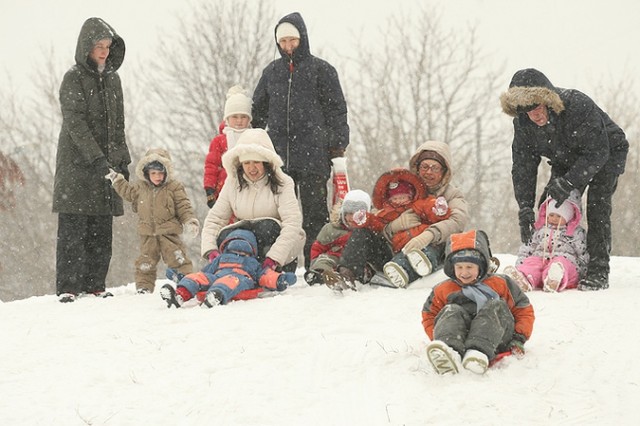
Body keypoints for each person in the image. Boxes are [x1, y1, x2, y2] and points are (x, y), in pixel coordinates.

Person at [500, 68, 629, 291]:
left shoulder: (577, 105)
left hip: (606, 152)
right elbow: (523, 166)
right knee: (549, 205)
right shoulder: (523, 124)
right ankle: (546, 262)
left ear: (548, 101)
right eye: (527, 111)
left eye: (537, 108)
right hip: (565, 156)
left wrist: (569, 182)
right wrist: (524, 207)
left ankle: (598, 270)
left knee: (597, 206)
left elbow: (598, 152)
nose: (534, 116)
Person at [252, 12, 349, 269]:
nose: (287, 46)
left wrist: (337, 145)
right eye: (282, 41)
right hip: (278, 158)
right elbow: (257, 111)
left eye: (292, 40)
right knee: (282, 215)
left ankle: (317, 263)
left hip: (314, 157)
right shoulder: (271, 72)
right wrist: (251, 142)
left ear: (302, 39)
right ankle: (284, 264)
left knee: (315, 215)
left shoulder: (322, 70)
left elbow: (337, 110)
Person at [53, 17, 131, 303]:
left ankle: (95, 283)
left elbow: (118, 125)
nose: (103, 51)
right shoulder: (73, 78)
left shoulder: (114, 79)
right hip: (76, 168)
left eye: (107, 46)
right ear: (86, 47)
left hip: (106, 167)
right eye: (98, 46)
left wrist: (123, 160)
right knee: (74, 227)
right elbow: (75, 124)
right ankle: (69, 287)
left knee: (101, 226)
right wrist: (96, 157)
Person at [327, 141, 468, 290]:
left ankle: (405, 272)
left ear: (444, 172)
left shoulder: (452, 195)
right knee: (363, 232)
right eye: (425, 167)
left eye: (435, 168)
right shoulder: (403, 187)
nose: (429, 172)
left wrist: (429, 234)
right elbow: (379, 215)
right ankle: (347, 275)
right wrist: (392, 226)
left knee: (438, 245)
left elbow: (457, 221)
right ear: (417, 168)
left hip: (428, 250)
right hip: (393, 246)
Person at [422, 230, 535, 375]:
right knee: (451, 310)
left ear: (481, 265)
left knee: (496, 306)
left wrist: (519, 337)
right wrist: (438, 335)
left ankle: (478, 352)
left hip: (496, 338)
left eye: (469, 267)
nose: (464, 272)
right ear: (452, 267)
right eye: (459, 267)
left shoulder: (500, 283)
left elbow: (523, 309)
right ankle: (449, 351)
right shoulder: (443, 289)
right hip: (460, 338)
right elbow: (429, 315)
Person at [200, 128, 305, 274]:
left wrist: (274, 258)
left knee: (266, 228)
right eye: (247, 163)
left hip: (276, 243)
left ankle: (268, 270)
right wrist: (211, 250)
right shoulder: (233, 183)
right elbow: (215, 219)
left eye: (256, 162)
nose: (251, 168)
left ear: (266, 162)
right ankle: (229, 268)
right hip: (246, 244)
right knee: (229, 235)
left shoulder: (283, 183)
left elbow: (292, 223)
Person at [106, 148, 200, 294]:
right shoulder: (140, 187)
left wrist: (190, 221)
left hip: (169, 233)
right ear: (146, 173)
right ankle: (144, 287)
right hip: (147, 233)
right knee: (145, 262)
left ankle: (187, 283)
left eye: (161, 173)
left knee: (178, 258)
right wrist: (117, 180)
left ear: (167, 172)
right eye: (153, 173)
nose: (157, 176)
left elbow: (183, 206)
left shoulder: (174, 187)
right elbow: (128, 193)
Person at [346, 168, 451, 289]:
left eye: (402, 198)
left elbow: (431, 209)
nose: (399, 201)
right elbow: (377, 223)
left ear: (411, 195)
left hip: (423, 241)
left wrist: (439, 209)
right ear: (389, 200)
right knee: (401, 260)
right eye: (395, 199)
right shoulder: (387, 212)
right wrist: (366, 219)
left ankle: (425, 263)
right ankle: (399, 273)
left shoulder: (419, 204)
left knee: (429, 252)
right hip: (401, 248)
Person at [160, 229, 296, 309]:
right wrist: (186, 278)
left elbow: (264, 275)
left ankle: (216, 295)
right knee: (199, 278)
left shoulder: (252, 262)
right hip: (217, 276)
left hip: (239, 278)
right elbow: (205, 273)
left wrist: (279, 280)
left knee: (230, 280)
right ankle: (180, 294)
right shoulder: (221, 258)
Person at [504, 190, 588, 293]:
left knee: (560, 264)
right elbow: (529, 247)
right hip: (541, 260)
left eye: (559, 216)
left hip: (566, 262)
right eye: (551, 215)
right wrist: (521, 264)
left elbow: (583, 253)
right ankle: (523, 278)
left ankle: (554, 279)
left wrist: (583, 272)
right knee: (533, 263)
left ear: (569, 216)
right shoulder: (540, 229)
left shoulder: (575, 233)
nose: (554, 219)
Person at [304, 189, 371, 286]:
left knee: (361, 266)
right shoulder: (332, 228)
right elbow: (318, 247)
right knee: (324, 260)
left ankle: (349, 277)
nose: (352, 218)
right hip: (335, 256)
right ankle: (319, 275)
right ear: (343, 214)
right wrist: (314, 262)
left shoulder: (367, 232)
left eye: (357, 215)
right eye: (349, 214)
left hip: (354, 261)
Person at [203, 85, 253, 208]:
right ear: (227, 119)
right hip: (224, 189)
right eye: (235, 117)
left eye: (243, 117)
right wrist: (209, 189)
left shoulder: (254, 137)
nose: (239, 121)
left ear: (249, 119)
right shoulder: (219, 141)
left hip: (251, 188)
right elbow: (211, 166)